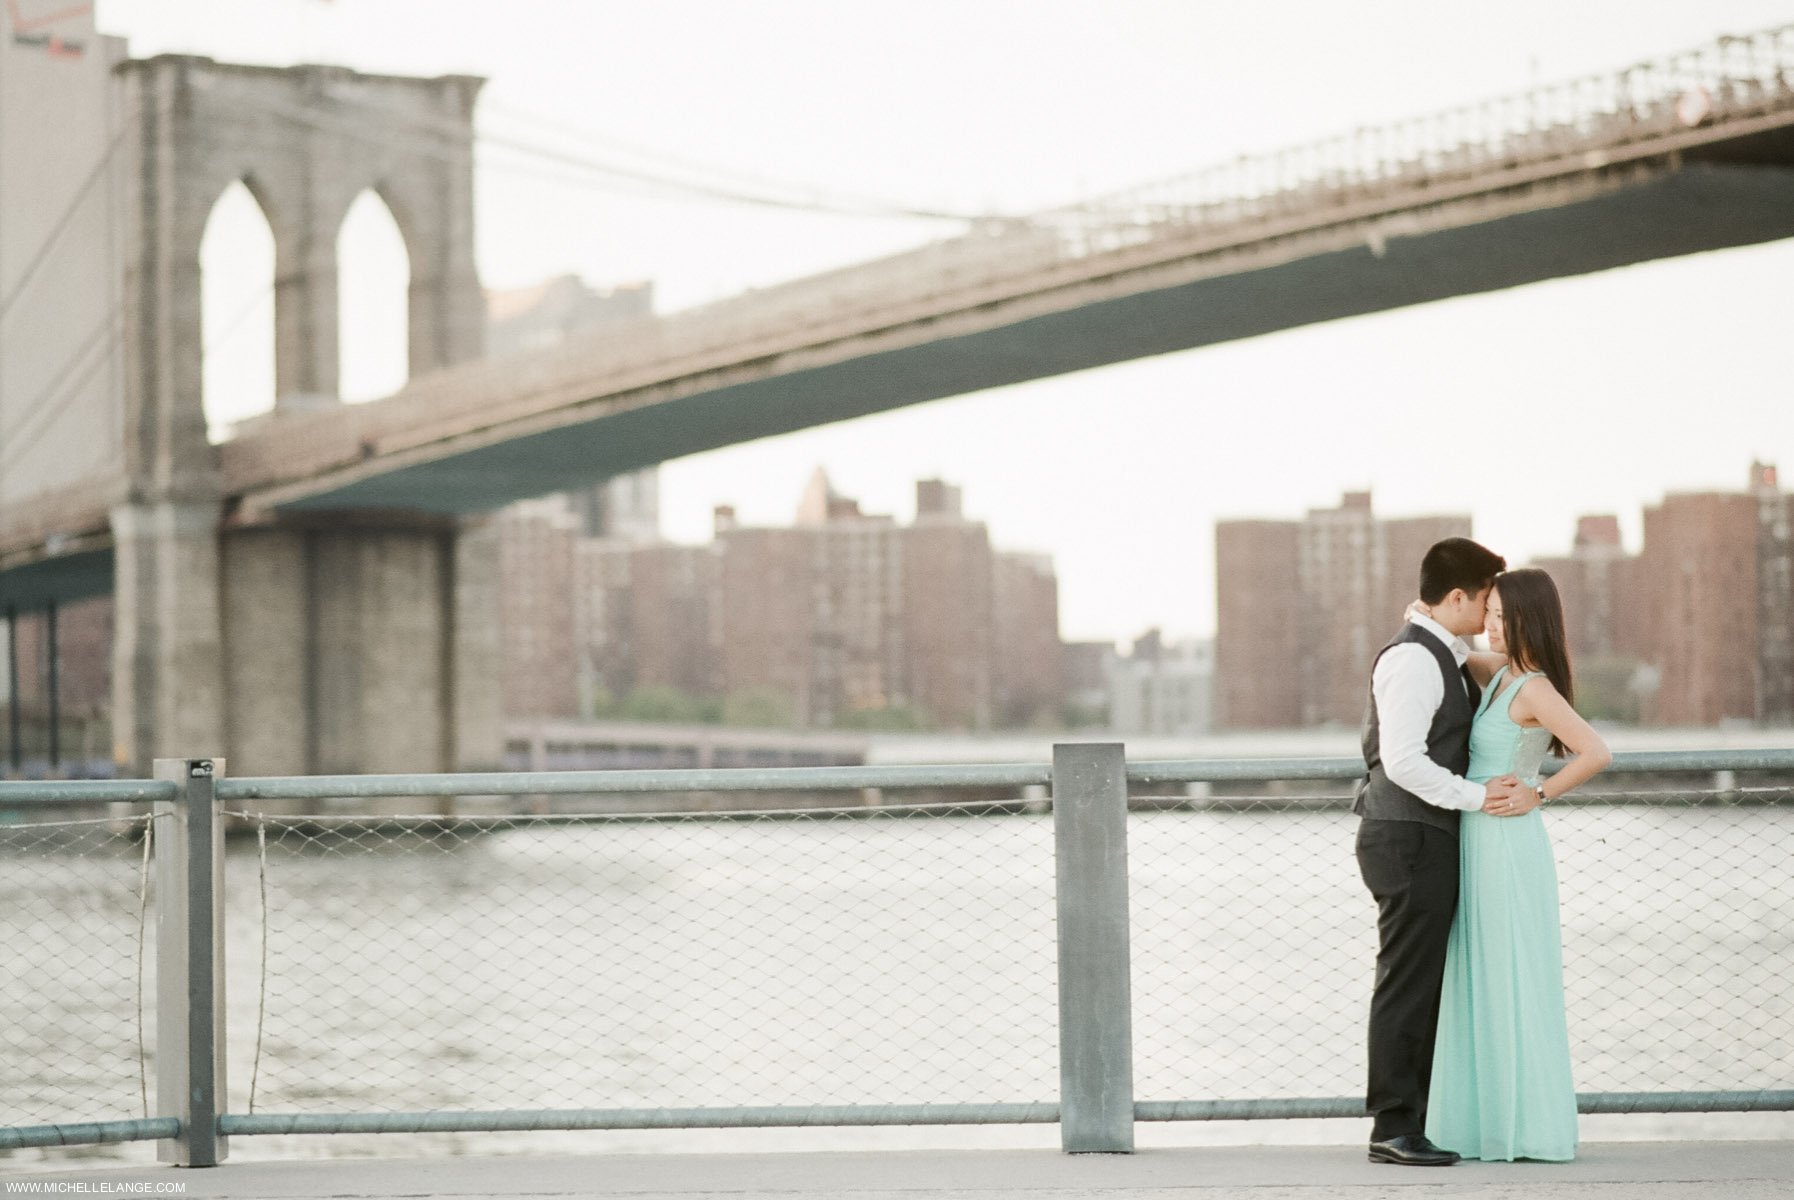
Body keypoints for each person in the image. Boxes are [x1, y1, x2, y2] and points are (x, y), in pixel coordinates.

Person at [1424, 567, 1611, 1161]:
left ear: (1532, 619)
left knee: (1511, 979)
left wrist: (1539, 792)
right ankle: (1486, 1124)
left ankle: (1525, 1127)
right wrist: (1422, 616)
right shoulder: (1500, 672)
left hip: (1507, 845)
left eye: (1505, 616)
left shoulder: (1532, 686)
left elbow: (1597, 751)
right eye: (1490, 613)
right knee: (1482, 979)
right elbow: (1446, 649)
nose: (1491, 626)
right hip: (1478, 842)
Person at [1354, 537, 1529, 1168]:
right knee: (1407, 982)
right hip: (1407, 838)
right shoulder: (1414, 661)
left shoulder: (1440, 650)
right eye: (1485, 599)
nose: (1489, 614)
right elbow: (1402, 762)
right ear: (1457, 596)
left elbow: (1487, 665)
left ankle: (1413, 1121)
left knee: (1423, 981)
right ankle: (1393, 1127)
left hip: (1421, 836)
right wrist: (1477, 796)